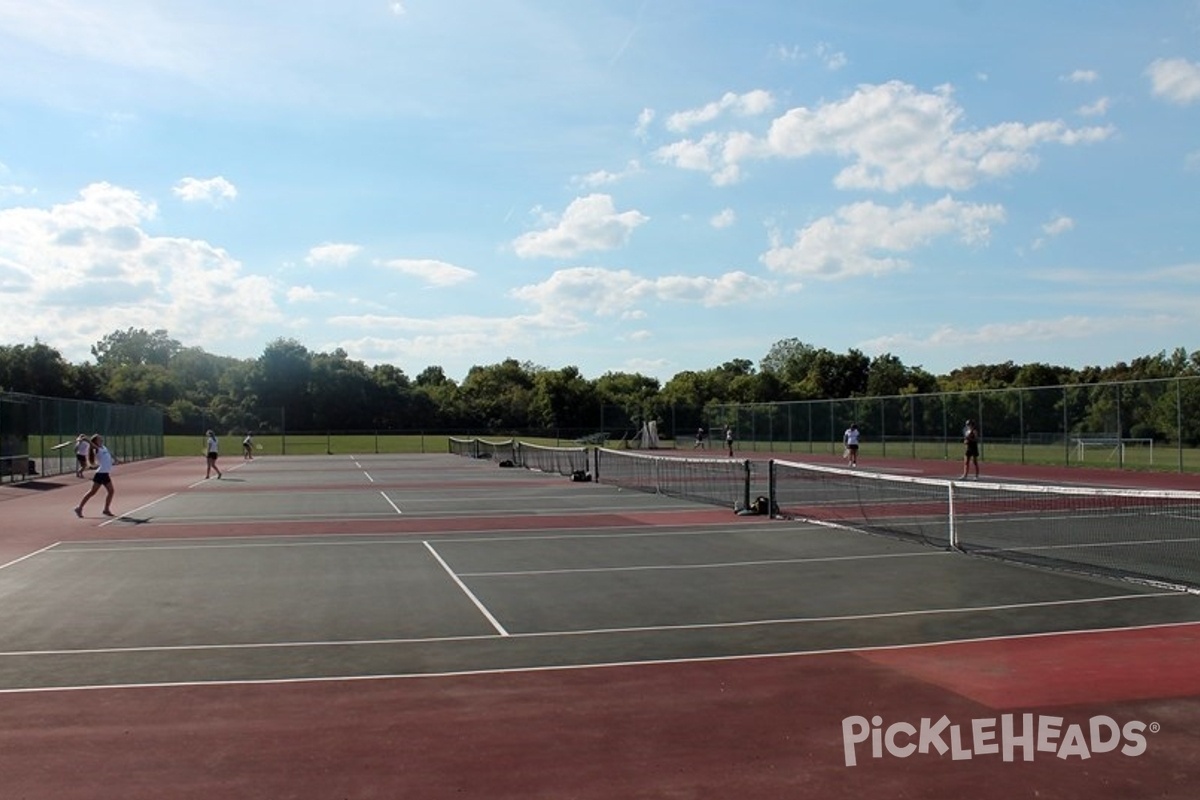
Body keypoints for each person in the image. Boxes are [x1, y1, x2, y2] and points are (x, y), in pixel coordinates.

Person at [74, 434, 115, 517]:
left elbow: (109, 454)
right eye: (99, 438)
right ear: (96, 441)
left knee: (110, 491)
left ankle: (106, 509)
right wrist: (83, 439)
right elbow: (89, 442)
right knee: (93, 492)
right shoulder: (97, 448)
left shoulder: (104, 447)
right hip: (101, 474)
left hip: (105, 473)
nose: (101, 438)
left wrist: (116, 459)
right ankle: (79, 508)